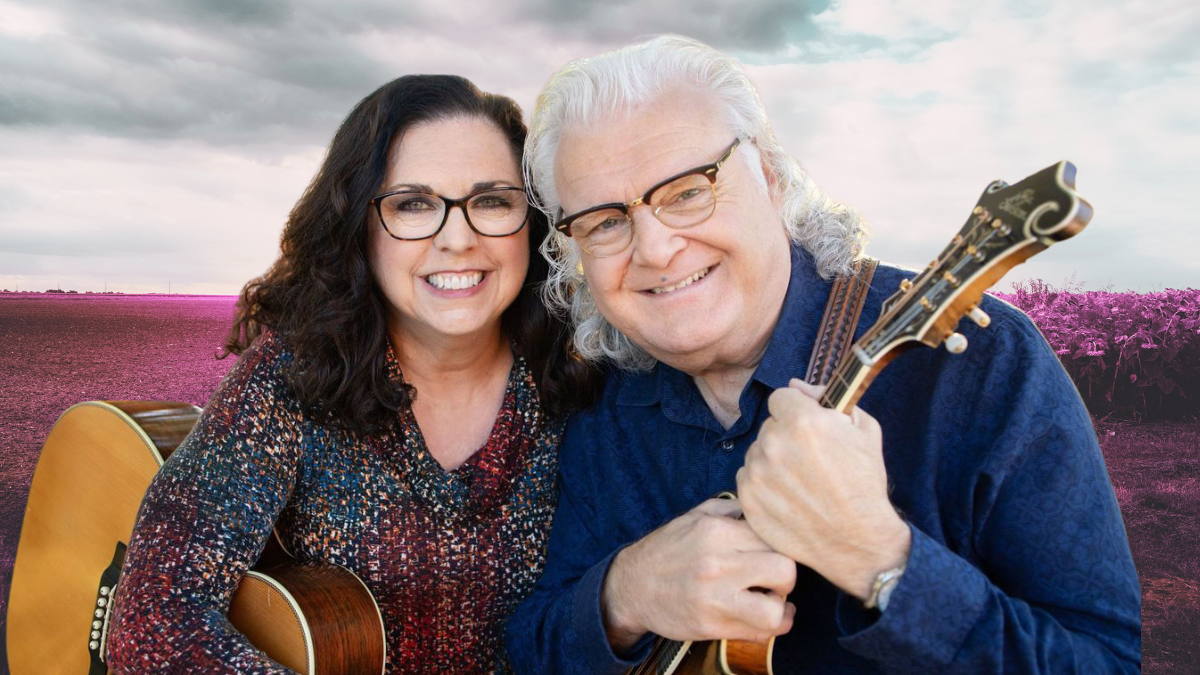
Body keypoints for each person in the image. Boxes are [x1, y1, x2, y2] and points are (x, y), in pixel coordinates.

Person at [506, 36, 1140, 674]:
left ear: (772, 181)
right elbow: (532, 647)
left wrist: (880, 558)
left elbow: (1103, 661)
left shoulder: (982, 365)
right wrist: (624, 593)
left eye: (687, 190)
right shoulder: (610, 406)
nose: (654, 248)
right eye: (604, 222)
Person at [105, 74, 599, 675]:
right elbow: (153, 619)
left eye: (492, 200)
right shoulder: (292, 378)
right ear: (359, 227)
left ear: (536, 221)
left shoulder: (584, 380)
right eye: (413, 204)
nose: (458, 239)